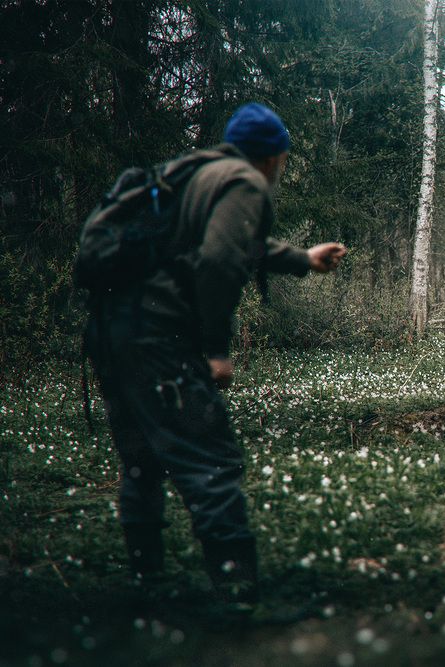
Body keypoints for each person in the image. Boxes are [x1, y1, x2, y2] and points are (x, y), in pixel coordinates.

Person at [84, 102, 347, 602]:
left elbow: (227, 245)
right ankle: (237, 593)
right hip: (160, 340)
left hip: (111, 332)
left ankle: (147, 581)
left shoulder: (192, 173)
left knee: (141, 460)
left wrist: (302, 259)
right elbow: (221, 260)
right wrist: (216, 350)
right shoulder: (245, 181)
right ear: (272, 157)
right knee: (210, 459)